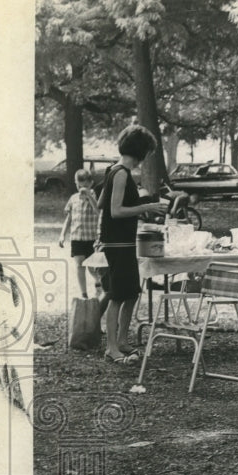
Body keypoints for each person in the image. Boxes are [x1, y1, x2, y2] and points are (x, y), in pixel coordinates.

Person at [97, 125, 167, 364]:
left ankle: (123, 340)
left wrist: (135, 201)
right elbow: (115, 211)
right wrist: (146, 207)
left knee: (131, 293)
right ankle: (111, 348)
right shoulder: (120, 174)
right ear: (142, 151)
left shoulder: (113, 171)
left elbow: (100, 205)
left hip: (125, 242)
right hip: (116, 244)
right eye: (148, 152)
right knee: (117, 296)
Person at [58, 169, 101, 299]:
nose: (82, 188)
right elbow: (69, 218)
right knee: (79, 265)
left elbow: (99, 211)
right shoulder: (73, 198)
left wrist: (89, 196)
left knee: (92, 266)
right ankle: (84, 293)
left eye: (85, 186)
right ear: (75, 183)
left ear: (91, 184)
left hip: (91, 237)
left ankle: (98, 281)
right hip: (77, 237)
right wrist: (62, 234)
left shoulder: (95, 196)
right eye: (79, 185)